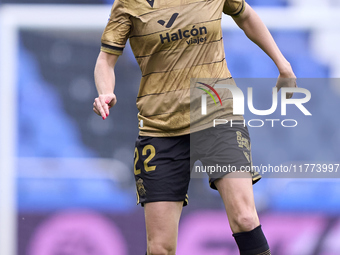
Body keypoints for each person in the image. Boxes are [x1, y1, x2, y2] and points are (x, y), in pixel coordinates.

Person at [93, 0, 296, 254]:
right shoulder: (128, 4)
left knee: (245, 218)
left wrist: (282, 64)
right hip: (160, 127)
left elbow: (245, 15)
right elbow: (106, 60)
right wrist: (105, 92)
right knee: (160, 248)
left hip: (217, 114)